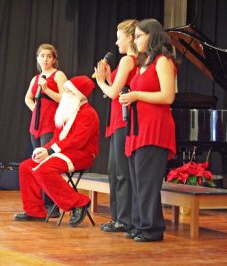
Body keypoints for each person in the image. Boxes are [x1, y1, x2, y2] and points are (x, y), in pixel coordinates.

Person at [119, 18, 177, 242]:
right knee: (137, 181)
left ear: (152, 36)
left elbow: (167, 96)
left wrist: (136, 95)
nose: (135, 39)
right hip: (138, 130)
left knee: (147, 183)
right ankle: (140, 224)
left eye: (139, 35)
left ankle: (152, 229)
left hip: (154, 129)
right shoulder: (144, 64)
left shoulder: (163, 61)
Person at [14, 76, 99, 227]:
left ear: (78, 94)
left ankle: (79, 203)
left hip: (81, 154)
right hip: (64, 151)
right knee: (26, 167)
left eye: (68, 91)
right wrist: (45, 149)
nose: (64, 94)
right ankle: (35, 211)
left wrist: (51, 151)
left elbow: (77, 141)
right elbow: (57, 138)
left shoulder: (88, 114)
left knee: (44, 170)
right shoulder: (68, 111)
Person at [94, 19, 138, 233]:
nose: (116, 41)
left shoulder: (129, 60)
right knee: (114, 170)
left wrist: (101, 80)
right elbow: (117, 88)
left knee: (121, 171)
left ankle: (124, 219)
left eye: (119, 36)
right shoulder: (125, 61)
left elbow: (112, 93)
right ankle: (117, 216)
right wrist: (109, 79)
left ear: (129, 38)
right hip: (117, 119)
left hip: (124, 120)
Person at [24, 43, 67, 215]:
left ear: (54, 59)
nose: (45, 59)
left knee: (47, 163)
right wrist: (35, 109)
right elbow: (27, 98)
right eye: (42, 56)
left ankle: (52, 204)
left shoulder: (58, 75)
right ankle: (38, 204)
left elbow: (65, 99)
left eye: (49, 56)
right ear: (37, 59)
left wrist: (47, 89)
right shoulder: (35, 78)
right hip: (36, 124)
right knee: (35, 162)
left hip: (51, 123)